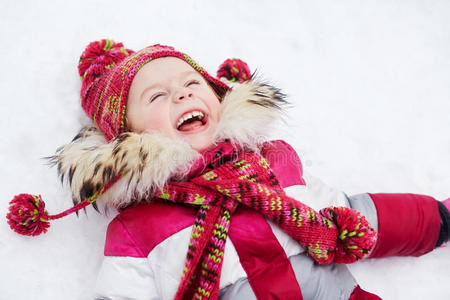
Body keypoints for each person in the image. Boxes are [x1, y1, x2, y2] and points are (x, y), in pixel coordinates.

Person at [7, 39, 450, 300]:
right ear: (128, 138)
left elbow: (349, 218)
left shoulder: (273, 163)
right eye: (156, 98)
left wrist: (438, 220)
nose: (180, 96)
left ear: (218, 96)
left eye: (190, 84)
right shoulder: (137, 229)